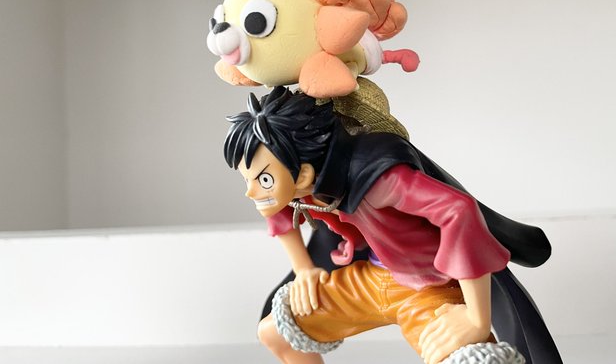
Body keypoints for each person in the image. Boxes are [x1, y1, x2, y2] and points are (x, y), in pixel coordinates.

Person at [225, 87, 562, 364]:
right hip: (370, 281)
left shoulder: (379, 177)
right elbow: (273, 203)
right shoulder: (302, 179)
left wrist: (476, 318)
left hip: (429, 289)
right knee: (274, 333)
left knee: (469, 360)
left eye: (263, 179)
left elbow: (458, 211)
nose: (251, 191)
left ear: (303, 175)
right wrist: (304, 269)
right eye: (249, 179)